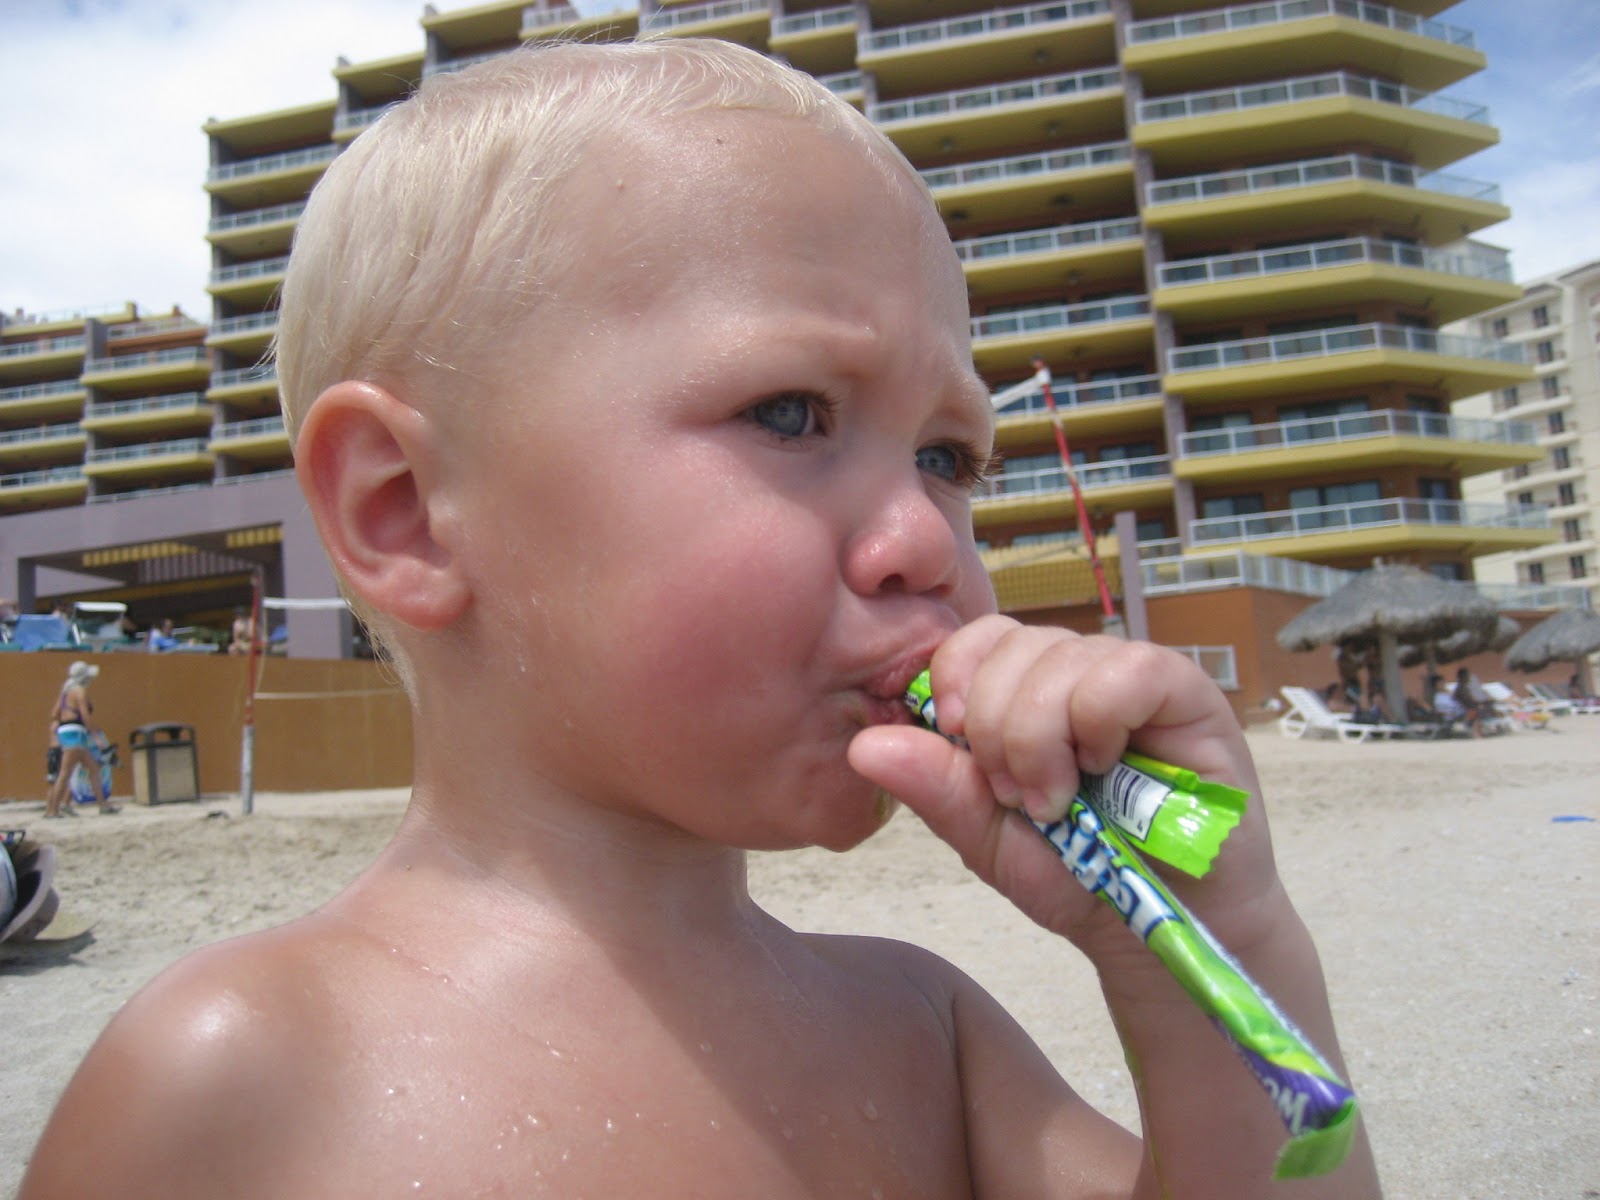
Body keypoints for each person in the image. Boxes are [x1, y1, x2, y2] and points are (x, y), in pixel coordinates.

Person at [19, 42, 1379, 1200]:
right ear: (408, 512)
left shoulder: (928, 1039)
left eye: (948, 458)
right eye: (790, 414)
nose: (927, 540)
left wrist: (1214, 947)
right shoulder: (235, 1080)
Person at [43, 661, 118, 818]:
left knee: (93, 769)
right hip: (76, 733)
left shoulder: (65, 692)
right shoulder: (80, 692)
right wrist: (96, 736)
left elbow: (54, 714)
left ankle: (103, 805)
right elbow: (85, 716)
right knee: (65, 773)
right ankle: (52, 811)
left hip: (67, 732)